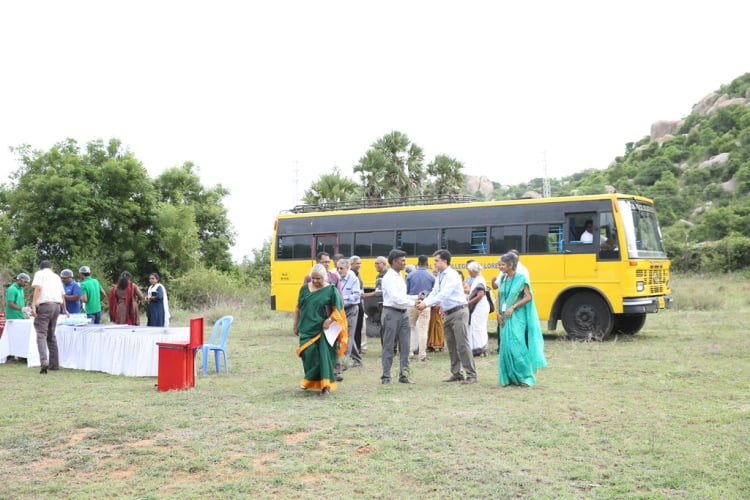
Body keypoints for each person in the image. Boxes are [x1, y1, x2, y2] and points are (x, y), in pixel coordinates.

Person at [417, 250, 477, 385]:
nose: (434, 263)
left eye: (436, 260)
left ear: (444, 261)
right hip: (448, 312)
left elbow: (444, 294)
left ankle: (471, 374)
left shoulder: (452, 275)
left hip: (459, 311)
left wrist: (426, 303)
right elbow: (435, 292)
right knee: (451, 344)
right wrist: (425, 301)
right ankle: (456, 373)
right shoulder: (440, 276)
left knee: (462, 344)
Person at [293, 264, 348, 395]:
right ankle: (311, 380)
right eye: (313, 278)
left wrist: (329, 320)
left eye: (318, 278)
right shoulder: (304, 289)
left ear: (324, 277)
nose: (316, 281)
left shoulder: (331, 290)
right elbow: (298, 307)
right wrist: (295, 324)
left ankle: (325, 386)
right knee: (308, 354)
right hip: (306, 328)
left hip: (323, 329)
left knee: (323, 357)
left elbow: (338, 310)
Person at [497, 251, 547, 387]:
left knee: (516, 346)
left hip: (517, 317)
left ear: (511, 265)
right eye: (499, 265)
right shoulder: (503, 279)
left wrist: (513, 307)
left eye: (502, 265)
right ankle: (510, 377)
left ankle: (525, 377)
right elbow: (499, 297)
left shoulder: (521, 278)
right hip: (503, 317)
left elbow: (528, 297)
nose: (499, 267)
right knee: (505, 347)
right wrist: (498, 314)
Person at [380, 249, 418, 384]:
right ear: (394, 262)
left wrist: (416, 298)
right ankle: (386, 376)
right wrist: (413, 302)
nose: (404, 263)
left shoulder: (399, 275)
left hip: (403, 313)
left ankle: (404, 375)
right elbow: (396, 299)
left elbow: (402, 297)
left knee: (406, 345)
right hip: (391, 313)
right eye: (402, 261)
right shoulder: (389, 277)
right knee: (389, 345)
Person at [31, 260, 67, 374]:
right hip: (56, 306)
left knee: (41, 334)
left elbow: (38, 288)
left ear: (40, 268)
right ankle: (54, 364)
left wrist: (33, 304)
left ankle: (44, 361)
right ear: (51, 267)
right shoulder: (56, 277)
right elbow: (62, 294)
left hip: (45, 306)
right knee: (51, 335)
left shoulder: (39, 274)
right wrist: (64, 308)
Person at [406, 255, 434, 362]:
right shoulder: (431, 277)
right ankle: (422, 355)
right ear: (427, 264)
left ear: (418, 263)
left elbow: (407, 291)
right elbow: (433, 292)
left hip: (412, 303)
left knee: (410, 328)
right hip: (425, 303)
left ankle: (410, 352)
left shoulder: (410, 276)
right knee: (423, 329)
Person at [336, 258, 362, 368]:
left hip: (351, 309)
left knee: (349, 335)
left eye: (341, 268)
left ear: (347, 268)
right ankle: (357, 359)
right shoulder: (335, 276)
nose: (339, 270)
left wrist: (342, 298)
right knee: (343, 334)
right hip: (340, 310)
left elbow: (356, 296)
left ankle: (344, 363)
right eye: (337, 268)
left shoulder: (353, 279)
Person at [466, 261, 490, 357]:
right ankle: (480, 349)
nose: (468, 272)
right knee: (478, 328)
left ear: (472, 270)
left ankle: (480, 350)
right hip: (479, 307)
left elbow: (480, 295)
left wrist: (468, 303)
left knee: (477, 328)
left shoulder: (479, 280)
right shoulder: (478, 279)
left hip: (479, 308)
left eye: (469, 270)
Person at [349, 255, 366, 355]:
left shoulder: (357, 274)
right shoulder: (350, 274)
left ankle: (358, 348)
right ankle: (353, 349)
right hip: (354, 303)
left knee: (359, 327)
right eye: (357, 263)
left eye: (360, 263)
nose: (359, 265)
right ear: (351, 264)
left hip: (359, 302)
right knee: (353, 328)